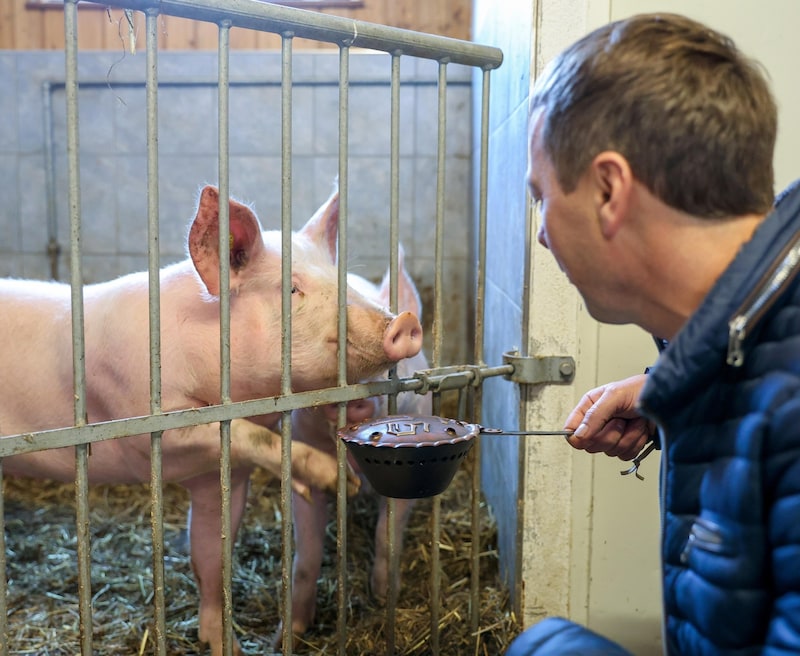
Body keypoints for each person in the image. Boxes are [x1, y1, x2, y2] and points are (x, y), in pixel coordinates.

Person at [507, 11, 800, 656]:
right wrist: (671, 394)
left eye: (541, 195)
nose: (542, 231)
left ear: (610, 190)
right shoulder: (744, 336)